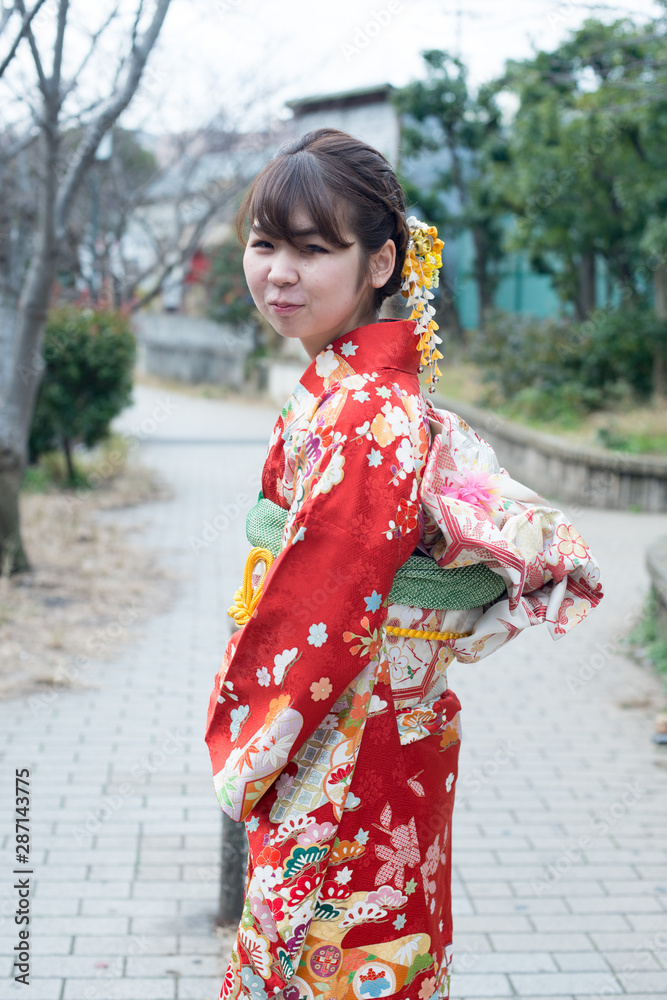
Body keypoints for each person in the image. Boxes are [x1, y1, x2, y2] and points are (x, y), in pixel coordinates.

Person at [205, 128, 603, 1000]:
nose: (279, 271)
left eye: (314, 250)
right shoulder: (359, 397)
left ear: (380, 261)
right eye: (264, 243)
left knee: (327, 961)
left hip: (339, 742)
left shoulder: (360, 417)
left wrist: (247, 742)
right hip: (390, 732)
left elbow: (323, 606)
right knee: (381, 956)